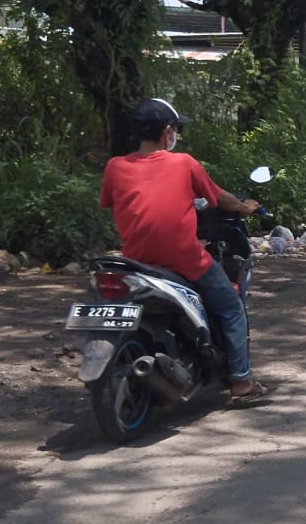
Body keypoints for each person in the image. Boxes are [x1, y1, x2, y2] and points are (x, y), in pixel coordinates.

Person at [99, 98, 267, 403]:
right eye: (175, 129)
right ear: (167, 132)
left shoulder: (115, 166)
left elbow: (112, 202)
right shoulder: (184, 163)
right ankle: (242, 382)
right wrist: (244, 207)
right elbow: (218, 198)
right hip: (184, 259)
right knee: (231, 307)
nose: (176, 134)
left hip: (136, 262)